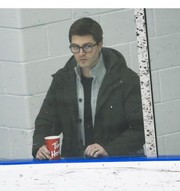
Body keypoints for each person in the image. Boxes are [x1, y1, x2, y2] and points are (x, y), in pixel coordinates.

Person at [32, 17, 145, 160]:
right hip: (74, 166)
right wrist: (40, 146)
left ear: (100, 45)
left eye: (87, 47)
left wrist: (109, 149)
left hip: (117, 162)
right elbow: (46, 121)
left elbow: (140, 128)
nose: (80, 53)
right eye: (75, 47)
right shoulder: (62, 80)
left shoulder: (126, 80)